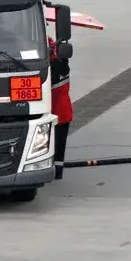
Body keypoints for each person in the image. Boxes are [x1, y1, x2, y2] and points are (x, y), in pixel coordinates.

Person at [49, 33, 72, 179]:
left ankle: (56, 171)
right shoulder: (60, 59)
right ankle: (57, 170)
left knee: (56, 144)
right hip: (62, 111)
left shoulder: (55, 63)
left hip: (56, 111)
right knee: (59, 145)